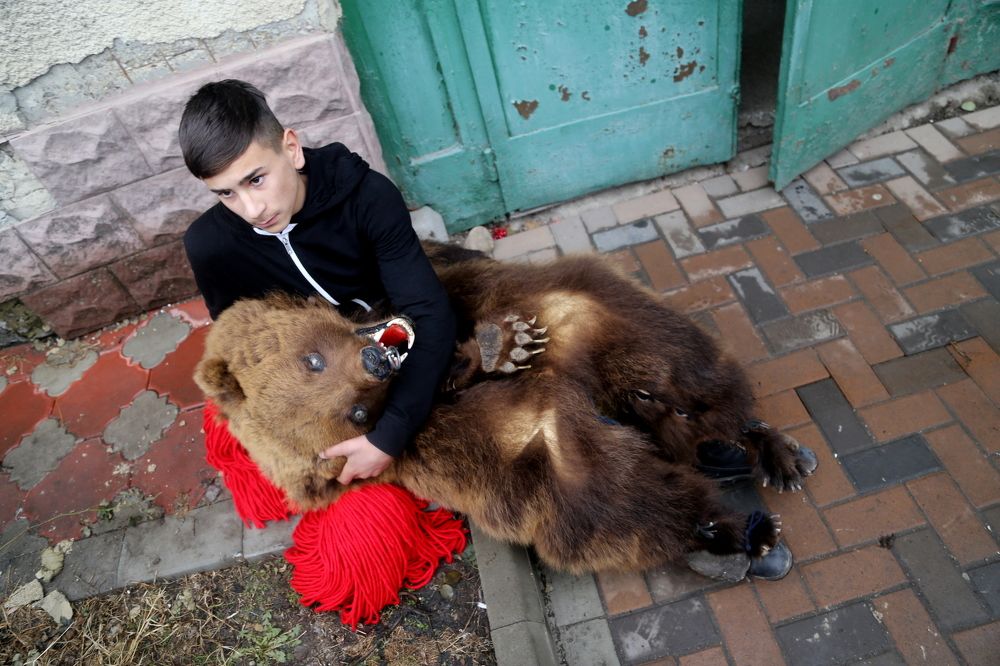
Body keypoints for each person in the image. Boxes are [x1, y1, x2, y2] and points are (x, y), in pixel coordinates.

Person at [179, 79, 456, 485]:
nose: (252, 208)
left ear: (291, 149)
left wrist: (389, 436)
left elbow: (429, 313)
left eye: (256, 179)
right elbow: (245, 343)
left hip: (388, 338)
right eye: (226, 194)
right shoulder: (210, 246)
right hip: (313, 378)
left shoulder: (367, 196)